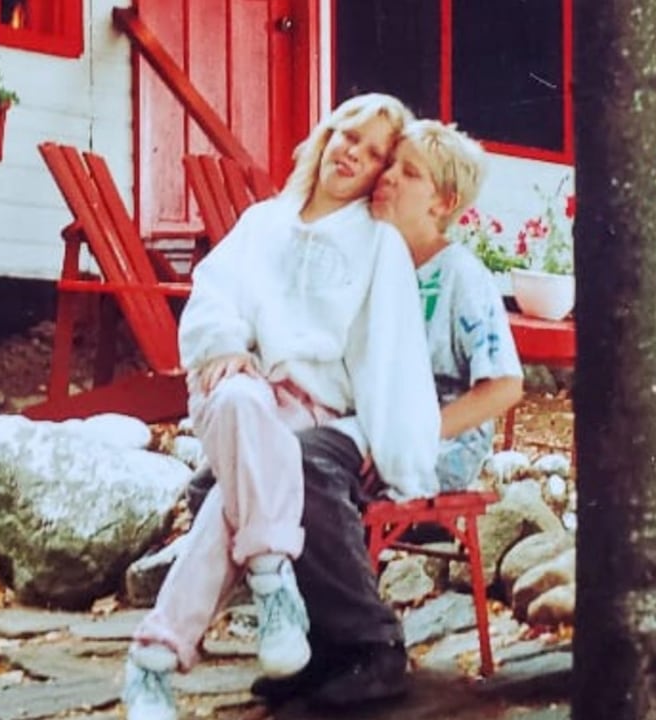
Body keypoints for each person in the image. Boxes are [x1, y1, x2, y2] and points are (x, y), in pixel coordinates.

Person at [122, 95, 443, 720]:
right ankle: (273, 586)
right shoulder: (261, 224)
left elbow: (390, 349)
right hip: (235, 395)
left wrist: (399, 452)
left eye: (376, 152)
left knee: (233, 500)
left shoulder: (377, 246)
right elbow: (213, 298)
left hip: (313, 414)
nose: (356, 152)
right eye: (350, 134)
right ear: (327, 135)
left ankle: (153, 663)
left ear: (382, 173)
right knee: (244, 402)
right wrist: (223, 347)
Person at [242, 119, 526, 709]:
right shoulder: (369, 256)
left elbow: (504, 387)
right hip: (358, 421)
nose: (387, 178)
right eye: (388, 165)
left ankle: (374, 646)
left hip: (436, 435)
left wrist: (409, 432)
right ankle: (317, 646)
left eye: (409, 173)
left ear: (443, 203)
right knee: (230, 471)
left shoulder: (457, 276)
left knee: (305, 466)